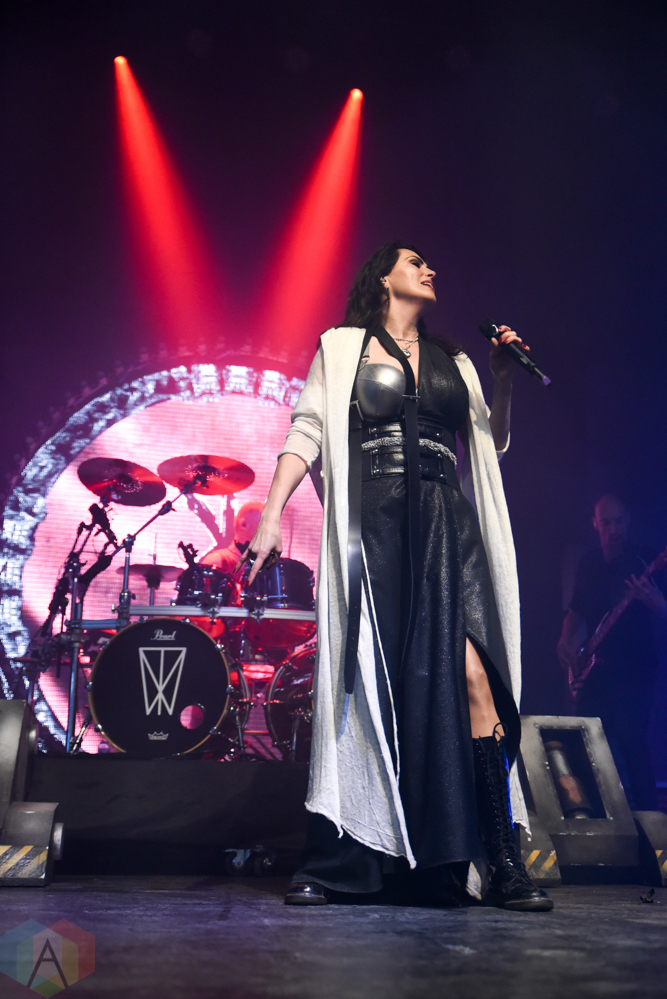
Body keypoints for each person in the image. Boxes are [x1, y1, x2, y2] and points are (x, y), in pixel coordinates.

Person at [239, 243, 551, 911]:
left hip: (447, 524)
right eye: (414, 261)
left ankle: (500, 859)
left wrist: (501, 378)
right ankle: (341, 856)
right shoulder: (343, 347)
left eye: (430, 263)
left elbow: (489, 442)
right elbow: (307, 430)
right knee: (371, 682)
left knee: (476, 676)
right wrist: (270, 514)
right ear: (382, 278)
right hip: (377, 525)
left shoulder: (453, 360)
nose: (430, 269)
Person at [558, 494, 667, 810]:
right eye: (606, 522)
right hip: (597, 669)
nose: (613, 529)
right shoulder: (589, 563)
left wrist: (657, 603)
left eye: (619, 521)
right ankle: (593, 815)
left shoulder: (646, 559)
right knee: (586, 740)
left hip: (636, 669)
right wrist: (564, 640)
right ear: (595, 524)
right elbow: (576, 610)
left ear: (628, 521)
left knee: (632, 740)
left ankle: (650, 823)